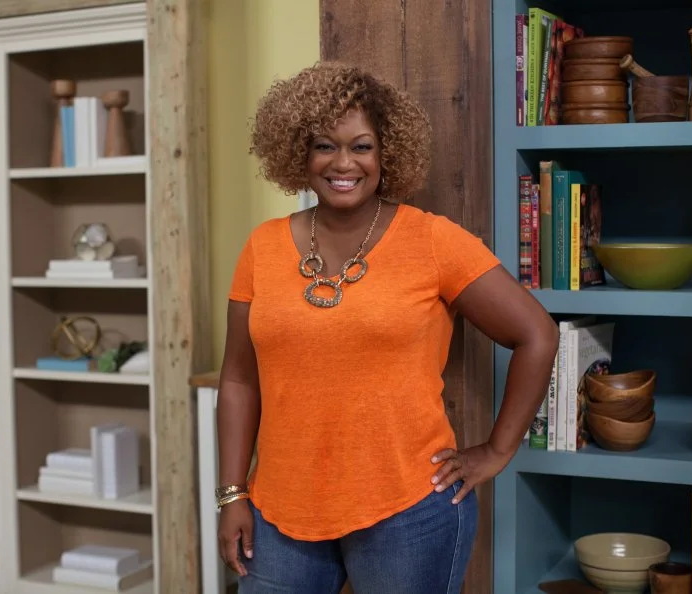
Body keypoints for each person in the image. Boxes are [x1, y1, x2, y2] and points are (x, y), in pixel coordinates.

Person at [216, 61, 558, 594]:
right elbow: (239, 379)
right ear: (299, 153)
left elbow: (537, 334)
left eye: (362, 146)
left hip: (408, 513)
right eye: (324, 146)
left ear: (386, 153)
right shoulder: (262, 246)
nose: (343, 163)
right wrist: (232, 493)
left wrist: (495, 451)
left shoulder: (433, 241)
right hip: (279, 512)